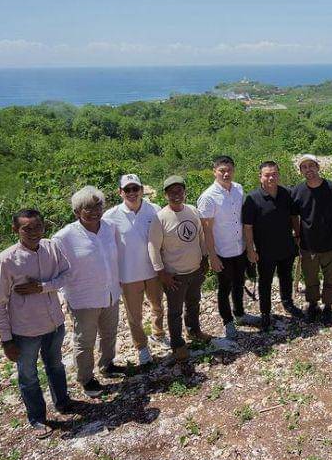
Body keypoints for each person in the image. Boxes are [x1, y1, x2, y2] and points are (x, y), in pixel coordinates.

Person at [0, 209, 73, 437]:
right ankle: (37, 418)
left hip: (54, 323)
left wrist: (42, 287)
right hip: (25, 331)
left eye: (38, 227)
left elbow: (67, 275)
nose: (34, 232)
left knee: (56, 366)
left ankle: (63, 402)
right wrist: (6, 340)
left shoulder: (51, 248)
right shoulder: (5, 261)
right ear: (15, 230)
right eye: (27, 229)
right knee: (28, 376)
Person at [51, 186, 125, 399]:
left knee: (109, 333)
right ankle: (86, 378)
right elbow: (53, 266)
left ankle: (107, 364)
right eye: (88, 208)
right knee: (85, 340)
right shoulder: (64, 237)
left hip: (110, 293)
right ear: (77, 212)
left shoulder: (109, 227)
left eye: (98, 207)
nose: (94, 212)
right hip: (83, 298)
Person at [103, 173, 165, 366]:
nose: (132, 193)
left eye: (135, 188)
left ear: (142, 190)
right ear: (120, 192)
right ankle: (141, 347)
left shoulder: (154, 210)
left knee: (158, 305)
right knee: (134, 315)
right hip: (128, 274)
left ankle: (158, 333)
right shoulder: (110, 216)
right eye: (127, 189)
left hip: (154, 270)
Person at [148, 175, 212, 361]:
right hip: (174, 275)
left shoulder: (192, 211)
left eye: (179, 191)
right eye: (172, 192)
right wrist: (161, 273)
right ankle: (177, 344)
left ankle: (194, 331)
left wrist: (205, 258)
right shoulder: (160, 218)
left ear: (185, 192)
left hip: (195, 270)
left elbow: (200, 236)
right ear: (165, 195)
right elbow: (153, 247)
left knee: (193, 303)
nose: (176, 195)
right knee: (175, 311)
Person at [197, 155, 260, 341]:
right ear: (214, 172)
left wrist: (250, 247)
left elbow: (243, 220)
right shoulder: (208, 197)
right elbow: (206, 230)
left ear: (234, 170)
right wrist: (212, 256)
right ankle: (228, 322)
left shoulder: (238, 189)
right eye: (222, 171)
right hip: (222, 251)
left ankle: (240, 313)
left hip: (239, 247)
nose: (226, 174)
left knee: (239, 283)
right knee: (224, 288)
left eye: (229, 170)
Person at [243, 161, 305, 329]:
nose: (271, 178)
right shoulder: (252, 198)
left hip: (286, 245)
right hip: (264, 249)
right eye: (267, 175)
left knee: (286, 277)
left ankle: (288, 303)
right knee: (265, 282)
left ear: (278, 175)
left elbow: (294, 217)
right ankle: (265, 312)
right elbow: (247, 227)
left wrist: (298, 235)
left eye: (274, 174)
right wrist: (250, 249)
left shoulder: (287, 194)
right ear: (260, 177)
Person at [291, 154, 332, 324]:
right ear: (301, 171)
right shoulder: (298, 191)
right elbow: (294, 215)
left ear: (318, 167)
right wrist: (297, 234)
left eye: (311, 165)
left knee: (331, 279)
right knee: (310, 279)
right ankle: (313, 305)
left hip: (330, 243)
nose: (308, 169)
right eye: (304, 167)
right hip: (308, 244)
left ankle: (328, 307)